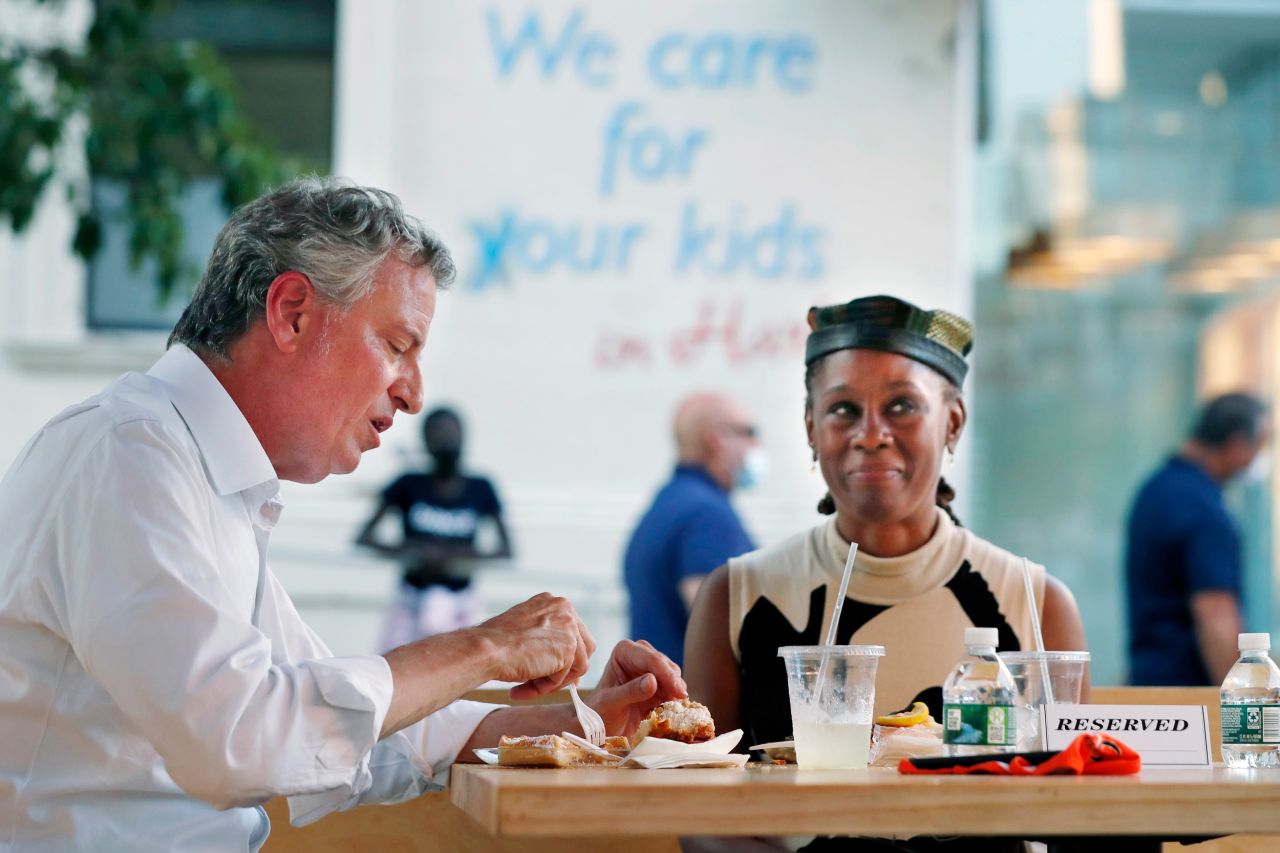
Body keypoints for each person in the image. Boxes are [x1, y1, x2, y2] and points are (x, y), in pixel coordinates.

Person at [0, 178, 685, 851]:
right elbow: (240, 741)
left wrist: (585, 717)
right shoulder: (130, 452)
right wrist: (488, 646)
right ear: (293, 312)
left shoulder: (196, 470)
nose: (414, 394)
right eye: (396, 345)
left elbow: (348, 730)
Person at [683, 295, 1088, 851]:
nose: (870, 433)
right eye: (843, 409)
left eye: (901, 406)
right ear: (810, 427)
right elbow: (700, 818)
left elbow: (1079, 809)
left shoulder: (1034, 600)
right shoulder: (737, 594)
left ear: (952, 421)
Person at [1126, 392, 1271, 686]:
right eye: (1259, 446)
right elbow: (1216, 616)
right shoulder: (1204, 511)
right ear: (1234, 443)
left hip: (1149, 683)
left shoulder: (1155, 490)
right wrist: (1240, 705)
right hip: (1190, 696)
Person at [623, 393, 761, 668]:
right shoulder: (707, 516)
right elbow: (719, 630)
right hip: (693, 702)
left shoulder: (667, 504)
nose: (757, 444)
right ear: (719, 438)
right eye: (750, 432)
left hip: (658, 699)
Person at [357, 406, 512, 649]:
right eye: (437, 433)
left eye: (451, 432)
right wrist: (412, 551)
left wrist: (456, 557)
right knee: (393, 670)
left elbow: (507, 550)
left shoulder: (481, 487)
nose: (445, 439)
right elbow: (364, 537)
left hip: (462, 602)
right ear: (425, 441)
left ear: (464, 436)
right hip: (411, 600)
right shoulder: (407, 483)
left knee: (468, 674)